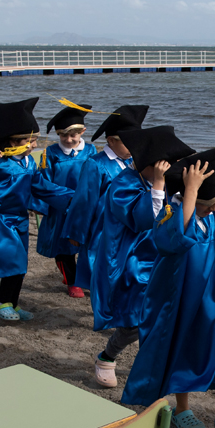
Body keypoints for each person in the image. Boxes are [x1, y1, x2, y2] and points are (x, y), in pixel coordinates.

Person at [121, 148, 215, 428]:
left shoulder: (213, 214)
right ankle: (182, 409)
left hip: (210, 297)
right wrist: (191, 191)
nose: (213, 210)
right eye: (208, 205)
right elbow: (175, 240)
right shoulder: (171, 214)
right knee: (181, 350)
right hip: (177, 299)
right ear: (190, 198)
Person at [87, 126, 192, 388]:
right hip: (130, 261)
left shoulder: (168, 185)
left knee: (160, 316)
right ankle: (107, 357)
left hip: (159, 258)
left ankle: (152, 365)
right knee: (134, 320)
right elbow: (143, 219)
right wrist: (158, 185)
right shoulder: (123, 184)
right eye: (166, 168)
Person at [0, 98, 74, 321]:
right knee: (12, 260)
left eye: (34, 140)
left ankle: (13, 302)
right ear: (12, 141)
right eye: (28, 140)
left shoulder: (28, 162)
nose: (33, 145)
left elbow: (41, 186)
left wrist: (72, 198)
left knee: (21, 263)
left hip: (19, 219)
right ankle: (1, 302)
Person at [63, 105, 149, 301]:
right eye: (129, 144)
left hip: (127, 227)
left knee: (126, 265)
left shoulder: (132, 163)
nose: (134, 148)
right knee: (101, 266)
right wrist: (76, 232)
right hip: (102, 227)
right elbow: (84, 200)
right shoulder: (96, 164)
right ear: (111, 141)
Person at [35, 102, 95, 297]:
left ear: (83, 131)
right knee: (63, 247)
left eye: (73, 135)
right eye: (63, 135)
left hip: (85, 206)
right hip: (60, 207)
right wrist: (44, 206)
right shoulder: (50, 153)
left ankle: (88, 277)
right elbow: (44, 182)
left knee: (88, 243)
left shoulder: (91, 151)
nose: (68, 139)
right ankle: (72, 281)